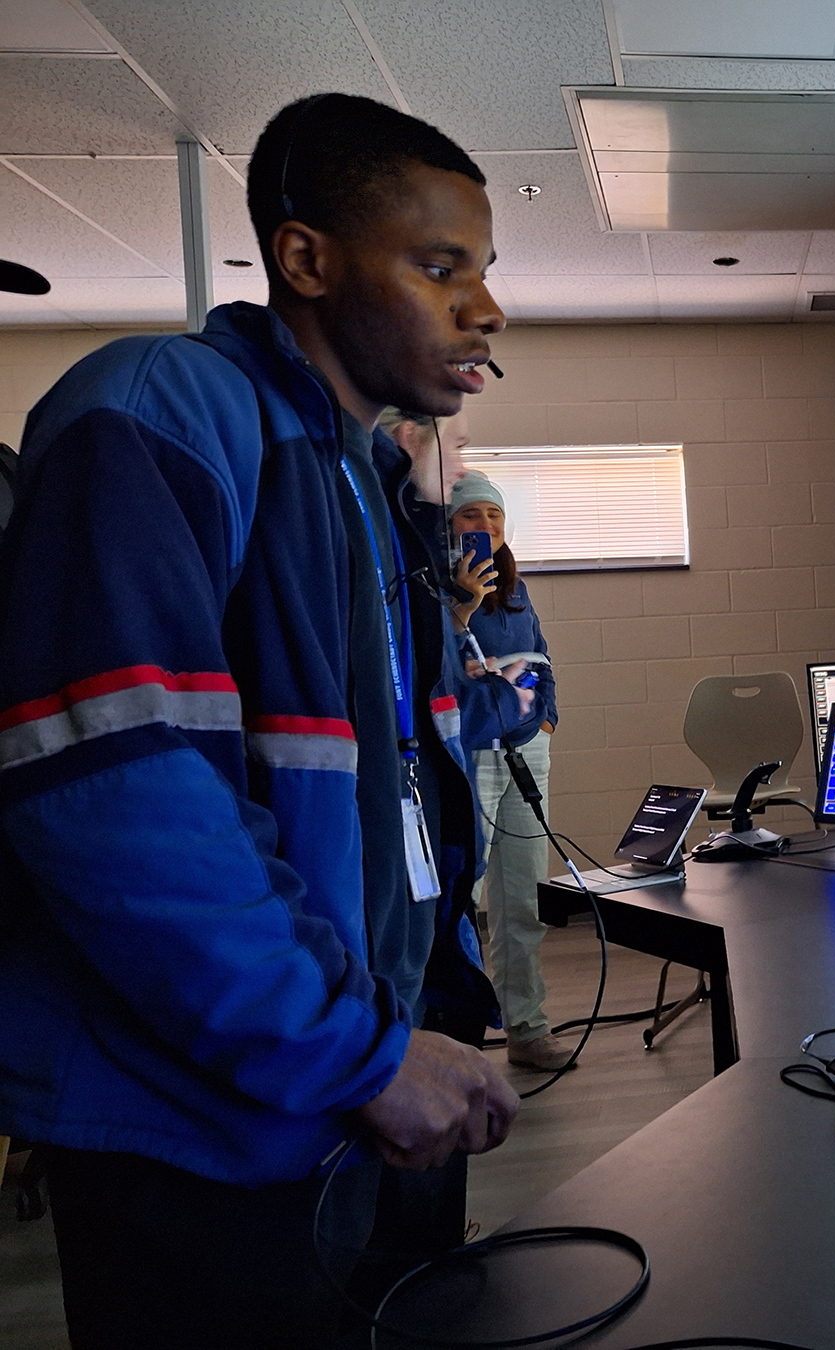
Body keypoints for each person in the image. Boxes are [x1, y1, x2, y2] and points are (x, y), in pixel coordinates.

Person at [0, 92, 520, 1347]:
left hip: (361, 1076)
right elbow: (122, 797)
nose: (487, 311)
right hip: (217, 1129)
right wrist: (358, 1055)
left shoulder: (364, 477)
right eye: (440, 268)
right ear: (306, 259)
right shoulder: (160, 410)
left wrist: (417, 1029)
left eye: (486, 274)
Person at [443, 469, 571, 1072]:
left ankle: (527, 1028)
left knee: (522, 897)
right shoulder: (433, 586)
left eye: (493, 516)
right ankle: (455, 1036)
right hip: (468, 760)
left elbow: (542, 656)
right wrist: (459, 610)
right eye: (471, 516)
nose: (485, 526)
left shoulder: (517, 589)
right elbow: (432, 670)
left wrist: (546, 718)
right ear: (450, 525)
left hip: (527, 752)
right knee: (457, 901)